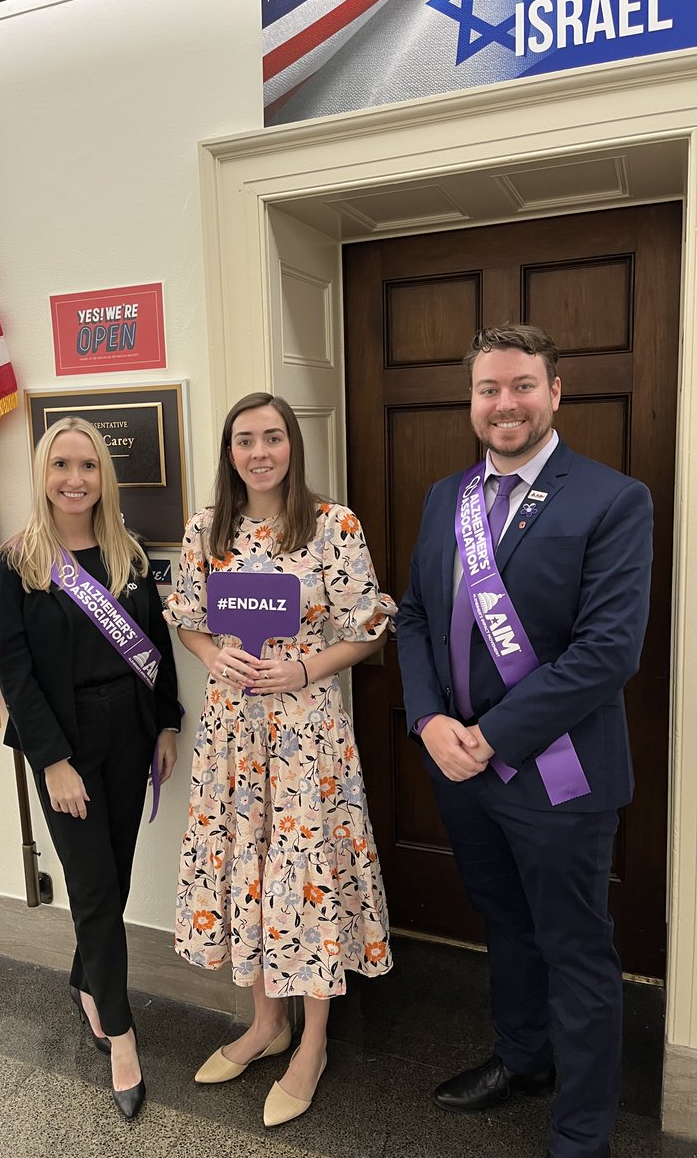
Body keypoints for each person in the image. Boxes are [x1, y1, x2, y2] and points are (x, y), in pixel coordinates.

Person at [396, 324, 653, 1158]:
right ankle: (523, 1060)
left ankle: (581, 1133)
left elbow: (608, 651)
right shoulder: (448, 499)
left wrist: (491, 736)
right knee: (504, 923)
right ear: (471, 401)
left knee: (576, 948)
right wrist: (433, 722)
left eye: (521, 386)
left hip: (559, 778)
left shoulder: (612, 500)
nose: (504, 403)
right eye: (488, 389)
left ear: (554, 393)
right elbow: (418, 618)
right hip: (461, 770)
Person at [165, 391, 395, 1128]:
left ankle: (314, 1041)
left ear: (292, 444)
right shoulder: (208, 529)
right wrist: (215, 651)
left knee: (308, 878)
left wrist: (303, 670)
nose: (258, 452)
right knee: (251, 870)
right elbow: (188, 624)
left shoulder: (333, 526)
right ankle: (267, 1024)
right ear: (229, 452)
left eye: (271, 437)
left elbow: (369, 631)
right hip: (233, 736)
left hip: (305, 738)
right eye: (243, 440)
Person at [0, 416, 180, 1121]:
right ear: (43, 474)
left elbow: (155, 644)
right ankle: (122, 1038)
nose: (75, 479)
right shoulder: (17, 564)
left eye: (88, 466)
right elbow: (16, 671)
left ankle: (84, 978)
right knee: (95, 890)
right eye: (61, 464)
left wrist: (165, 721)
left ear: (105, 475)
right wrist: (54, 762)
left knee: (115, 879)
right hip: (64, 747)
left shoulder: (125, 552)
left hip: (129, 737)